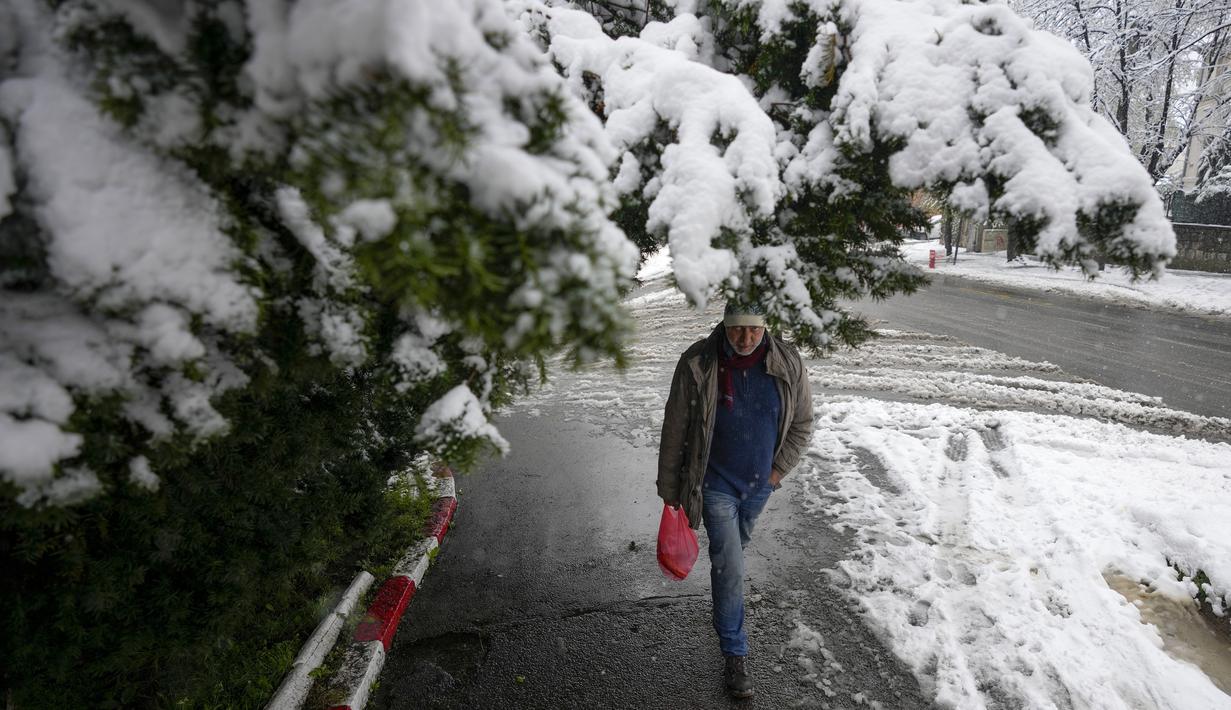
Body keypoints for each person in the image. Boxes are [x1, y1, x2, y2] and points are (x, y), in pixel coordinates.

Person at [657, 301, 814, 699]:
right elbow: (675, 426)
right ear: (724, 326)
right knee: (730, 565)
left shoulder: (788, 362)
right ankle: (735, 652)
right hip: (715, 484)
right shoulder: (698, 362)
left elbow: (802, 424)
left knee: (731, 558)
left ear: (766, 327)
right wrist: (670, 489)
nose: (745, 339)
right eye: (736, 330)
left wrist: (775, 476)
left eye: (754, 330)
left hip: (760, 485)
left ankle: (723, 611)